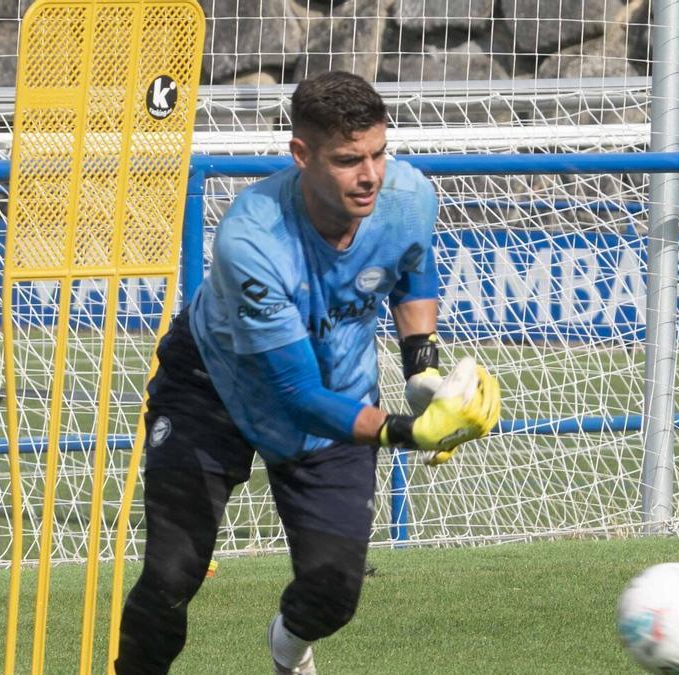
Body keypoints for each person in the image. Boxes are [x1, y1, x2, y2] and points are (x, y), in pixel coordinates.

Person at [115, 70, 500, 675]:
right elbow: (294, 394)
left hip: (338, 388)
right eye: (348, 160)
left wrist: (420, 361)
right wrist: (407, 432)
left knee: (333, 593)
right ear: (301, 155)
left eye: (378, 153)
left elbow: (412, 264)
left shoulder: (409, 196)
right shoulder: (253, 240)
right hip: (211, 387)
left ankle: (288, 650)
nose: (370, 175)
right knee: (171, 574)